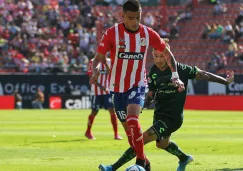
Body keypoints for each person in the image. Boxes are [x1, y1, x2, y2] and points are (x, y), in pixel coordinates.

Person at [98, 41, 234, 171]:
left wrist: (225, 81)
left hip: (173, 117)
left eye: (162, 56)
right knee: (161, 144)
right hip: (159, 115)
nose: (158, 60)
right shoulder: (154, 70)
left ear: (169, 55)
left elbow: (203, 74)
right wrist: (141, 105)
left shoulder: (181, 69)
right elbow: (151, 94)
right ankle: (184, 158)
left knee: (142, 138)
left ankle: (113, 167)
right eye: (156, 56)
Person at [91, 0, 185, 168]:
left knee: (133, 119)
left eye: (138, 18)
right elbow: (98, 58)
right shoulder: (112, 33)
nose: (135, 22)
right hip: (116, 88)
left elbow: (167, 53)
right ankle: (145, 162)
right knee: (130, 134)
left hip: (138, 84)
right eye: (131, 18)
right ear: (123, 16)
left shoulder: (148, 33)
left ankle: (140, 161)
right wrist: (96, 69)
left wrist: (175, 75)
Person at [85, 57, 122, 140]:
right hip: (96, 92)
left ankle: (116, 134)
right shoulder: (92, 61)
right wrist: (102, 87)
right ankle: (88, 132)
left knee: (112, 111)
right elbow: (91, 77)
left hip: (107, 92)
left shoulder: (109, 61)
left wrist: (105, 63)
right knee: (94, 112)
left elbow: (111, 73)